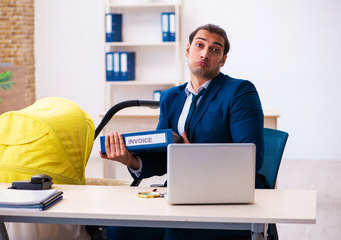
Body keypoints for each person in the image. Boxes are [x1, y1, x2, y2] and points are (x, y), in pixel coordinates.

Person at [101, 24, 265, 240]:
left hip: (222, 200)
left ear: (223, 60)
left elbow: (251, 159)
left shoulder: (239, 92)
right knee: (116, 232)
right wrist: (130, 160)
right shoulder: (170, 97)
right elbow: (162, 156)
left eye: (215, 50)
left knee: (174, 234)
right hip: (180, 196)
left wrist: (193, 157)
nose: (205, 53)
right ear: (188, 50)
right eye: (200, 45)